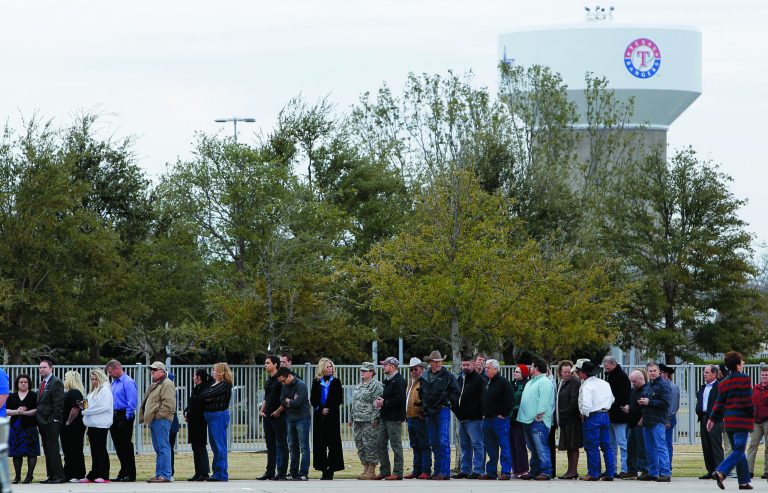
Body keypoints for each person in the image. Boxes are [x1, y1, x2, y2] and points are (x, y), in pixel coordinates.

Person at [708, 351, 754, 490]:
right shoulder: (745, 379)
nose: (743, 363)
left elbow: (719, 403)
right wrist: (754, 415)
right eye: (742, 361)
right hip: (742, 421)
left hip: (729, 421)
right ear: (738, 365)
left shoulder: (723, 382)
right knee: (739, 450)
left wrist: (712, 419)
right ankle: (721, 471)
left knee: (737, 450)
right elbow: (747, 401)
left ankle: (744, 481)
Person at [419, 350, 460, 480]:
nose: (438, 364)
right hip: (429, 412)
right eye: (436, 362)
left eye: (440, 361)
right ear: (430, 362)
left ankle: (445, 472)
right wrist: (424, 406)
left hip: (442, 410)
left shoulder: (448, 376)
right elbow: (422, 393)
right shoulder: (425, 376)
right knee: (434, 442)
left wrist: (447, 402)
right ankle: (437, 471)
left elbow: (456, 392)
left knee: (443, 441)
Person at [575, 359, 616, 481]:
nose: (577, 374)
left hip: (592, 416)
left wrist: (584, 414)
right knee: (606, 446)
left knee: (592, 446)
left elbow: (586, 404)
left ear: (583, 373)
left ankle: (593, 473)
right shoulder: (604, 383)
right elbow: (612, 399)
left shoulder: (586, 385)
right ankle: (610, 472)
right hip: (605, 415)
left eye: (578, 372)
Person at [517, 357, 555, 480]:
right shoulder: (530, 382)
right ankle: (534, 470)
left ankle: (546, 471)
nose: (530, 368)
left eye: (532, 366)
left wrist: (540, 413)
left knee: (541, 447)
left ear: (537, 368)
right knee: (533, 448)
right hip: (527, 419)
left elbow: (544, 399)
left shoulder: (544, 381)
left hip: (538, 420)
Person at [139, 361, 176, 483]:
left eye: (154, 370)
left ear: (162, 371)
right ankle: (159, 474)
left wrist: (159, 415)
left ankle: (165, 475)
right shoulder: (157, 384)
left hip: (161, 420)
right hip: (155, 420)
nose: (152, 372)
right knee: (159, 448)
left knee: (163, 447)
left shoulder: (167, 384)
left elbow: (168, 403)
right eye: (151, 370)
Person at [372, 357, 406, 480]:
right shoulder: (388, 380)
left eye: (385, 365)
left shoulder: (399, 380)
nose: (383, 367)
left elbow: (400, 400)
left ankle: (398, 472)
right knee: (380, 443)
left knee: (396, 445)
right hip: (385, 417)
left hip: (394, 418)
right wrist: (380, 402)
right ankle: (385, 471)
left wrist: (384, 402)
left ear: (392, 366)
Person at [310, 358, 344, 480]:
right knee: (320, 443)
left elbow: (339, 398)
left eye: (331, 367)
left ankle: (332, 469)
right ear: (322, 368)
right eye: (328, 366)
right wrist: (320, 409)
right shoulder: (316, 382)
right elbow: (313, 399)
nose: (330, 368)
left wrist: (329, 408)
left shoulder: (336, 382)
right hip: (319, 417)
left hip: (332, 416)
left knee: (333, 443)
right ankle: (323, 469)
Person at [452, 354, 485, 479]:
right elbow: (455, 395)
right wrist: (456, 410)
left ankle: (478, 469)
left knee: (477, 444)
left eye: (468, 365)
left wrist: (472, 412)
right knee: (464, 445)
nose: (465, 367)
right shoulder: (460, 378)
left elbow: (480, 401)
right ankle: (465, 469)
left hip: (474, 419)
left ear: (473, 364)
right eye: (463, 364)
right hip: (461, 419)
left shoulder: (479, 380)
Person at [637, 361, 671, 482]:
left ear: (659, 371)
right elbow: (646, 399)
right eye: (650, 371)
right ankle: (653, 472)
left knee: (661, 446)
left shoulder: (663, 385)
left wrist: (649, 402)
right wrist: (642, 402)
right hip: (647, 420)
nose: (652, 373)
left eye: (654, 371)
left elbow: (665, 403)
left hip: (658, 420)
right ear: (647, 372)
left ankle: (666, 473)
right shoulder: (648, 385)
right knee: (650, 448)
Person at [276, 366, 311, 481]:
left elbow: (297, 403)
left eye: (283, 380)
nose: (282, 383)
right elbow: (281, 400)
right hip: (290, 418)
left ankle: (303, 473)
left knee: (303, 446)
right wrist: (289, 401)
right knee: (293, 446)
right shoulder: (284, 386)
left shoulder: (301, 385)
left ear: (289, 376)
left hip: (302, 418)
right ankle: (293, 472)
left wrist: (288, 400)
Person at [349, 362, 383, 480]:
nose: (362, 373)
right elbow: (355, 403)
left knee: (370, 444)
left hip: (369, 420)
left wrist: (375, 418)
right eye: (361, 371)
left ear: (372, 372)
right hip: (358, 420)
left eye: (365, 371)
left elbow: (377, 404)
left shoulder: (376, 386)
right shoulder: (359, 386)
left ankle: (372, 469)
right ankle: (365, 467)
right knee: (359, 443)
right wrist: (351, 417)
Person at [480, 359, 513, 480]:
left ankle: (505, 472)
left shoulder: (503, 382)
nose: (486, 370)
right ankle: (491, 471)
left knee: (504, 446)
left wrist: (503, 413)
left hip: (499, 420)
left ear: (495, 369)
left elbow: (509, 400)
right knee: (490, 447)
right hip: (487, 419)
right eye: (485, 368)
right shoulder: (487, 382)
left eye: (488, 368)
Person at [105, 360, 137, 482]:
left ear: (117, 368)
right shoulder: (114, 383)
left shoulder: (128, 382)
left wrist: (127, 417)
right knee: (119, 447)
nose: (110, 374)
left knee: (126, 446)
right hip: (114, 416)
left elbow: (132, 400)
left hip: (124, 415)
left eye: (110, 371)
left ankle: (130, 473)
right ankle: (123, 471)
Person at [79, 369, 114, 483]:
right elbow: (88, 404)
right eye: (92, 379)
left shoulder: (105, 390)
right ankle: (94, 474)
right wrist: (83, 406)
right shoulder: (93, 391)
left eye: (96, 379)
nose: (94, 381)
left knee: (100, 450)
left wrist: (86, 411)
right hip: (92, 424)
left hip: (101, 425)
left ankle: (104, 474)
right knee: (94, 450)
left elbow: (102, 406)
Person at [201, 362, 233, 482]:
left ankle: (221, 473)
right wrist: (208, 397)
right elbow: (204, 395)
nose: (212, 372)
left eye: (214, 370)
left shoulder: (225, 384)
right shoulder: (214, 384)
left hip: (218, 415)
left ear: (221, 372)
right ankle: (216, 472)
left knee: (220, 445)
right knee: (214, 445)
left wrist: (209, 397)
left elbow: (207, 394)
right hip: (210, 415)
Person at [37, 357, 66, 484]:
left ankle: (59, 476)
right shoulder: (43, 383)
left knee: (53, 449)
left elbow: (58, 404)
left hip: (51, 422)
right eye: (40, 367)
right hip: (42, 422)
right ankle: (51, 476)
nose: (41, 369)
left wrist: (54, 420)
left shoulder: (56, 382)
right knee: (47, 450)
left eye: (44, 367)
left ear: (50, 368)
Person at [259, 356, 288, 481]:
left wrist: (278, 411)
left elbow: (286, 397)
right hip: (267, 416)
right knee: (270, 445)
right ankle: (270, 471)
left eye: (267, 363)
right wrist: (262, 410)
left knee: (281, 443)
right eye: (265, 363)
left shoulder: (280, 380)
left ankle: (281, 472)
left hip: (278, 416)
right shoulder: (268, 380)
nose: (265, 365)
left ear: (275, 364)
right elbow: (266, 397)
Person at [7, 374, 39, 484]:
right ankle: (17, 476)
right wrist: (17, 411)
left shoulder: (33, 395)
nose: (23, 384)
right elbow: (6, 410)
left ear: (29, 383)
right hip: (16, 428)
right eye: (21, 382)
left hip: (30, 427)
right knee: (16, 453)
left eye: (26, 382)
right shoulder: (12, 396)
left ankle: (29, 476)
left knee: (32, 452)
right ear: (17, 384)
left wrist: (24, 413)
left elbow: (36, 410)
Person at [603, 356, 631, 478]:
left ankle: (625, 468)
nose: (606, 369)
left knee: (621, 442)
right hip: (613, 414)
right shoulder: (612, 375)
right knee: (612, 443)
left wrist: (610, 409)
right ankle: (613, 468)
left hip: (619, 415)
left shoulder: (621, 377)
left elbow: (621, 397)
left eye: (607, 367)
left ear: (613, 364)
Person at [554, 360, 582, 480]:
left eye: (568, 371)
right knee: (568, 446)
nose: (567, 374)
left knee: (573, 446)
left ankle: (573, 471)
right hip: (565, 419)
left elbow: (574, 401)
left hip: (572, 419)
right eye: (564, 372)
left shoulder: (574, 382)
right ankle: (570, 470)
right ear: (560, 372)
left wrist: (565, 414)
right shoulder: (562, 382)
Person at [404, 357, 430, 479]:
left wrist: (423, 413)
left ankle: (425, 470)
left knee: (424, 444)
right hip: (410, 417)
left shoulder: (424, 381)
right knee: (415, 445)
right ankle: (417, 469)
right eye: (411, 369)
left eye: (416, 369)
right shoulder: (411, 383)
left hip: (419, 418)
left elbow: (426, 400)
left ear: (422, 369)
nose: (413, 371)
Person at [185, 368, 212, 481]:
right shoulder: (196, 389)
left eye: (194, 376)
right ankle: (198, 472)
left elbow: (200, 405)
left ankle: (204, 472)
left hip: (200, 421)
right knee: (195, 446)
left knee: (200, 446)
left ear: (199, 377)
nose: (193, 378)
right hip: (193, 421)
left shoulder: (205, 389)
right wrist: (187, 411)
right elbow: (192, 402)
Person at [698, 365, 725, 480]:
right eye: (704, 372)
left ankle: (719, 471)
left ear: (714, 374)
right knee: (706, 445)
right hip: (703, 418)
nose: (705, 374)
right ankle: (710, 471)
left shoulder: (719, 387)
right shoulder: (703, 387)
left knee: (715, 445)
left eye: (707, 372)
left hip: (714, 420)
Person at [60, 370, 86, 482]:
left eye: (65, 378)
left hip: (73, 426)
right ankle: (69, 472)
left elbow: (75, 409)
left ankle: (77, 473)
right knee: (69, 450)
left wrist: (68, 422)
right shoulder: (75, 392)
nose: (64, 380)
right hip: (71, 425)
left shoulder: (74, 392)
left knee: (74, 449)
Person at [623, 369, 649, 480]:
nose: (633, 383)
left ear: (641, 379)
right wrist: (628, 407)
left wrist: (643, 419)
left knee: (642, 448)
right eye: (631, 381)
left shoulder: (646, 390)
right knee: (631, 448)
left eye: (634, 381)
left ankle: (645, 470)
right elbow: (631, 402)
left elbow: (648, 407)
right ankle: (632, 470)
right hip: (632, 423)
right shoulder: (634, 390)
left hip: (640, 424)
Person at [747, 365, 768, 479]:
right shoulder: (756, 388)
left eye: (766, 375)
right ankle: (749, 471)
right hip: (756, 421)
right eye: (763, 375)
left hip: (767, 421)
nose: (764, 377)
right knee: (752, 445)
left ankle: (766, 471)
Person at [659, 363, 680, 474]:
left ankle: (667, 467)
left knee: (666, 444)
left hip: (667, 418)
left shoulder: (671, 387)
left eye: (660, 372)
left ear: (666, 374)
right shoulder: (663, 385)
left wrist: (667, 419)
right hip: (662, 418)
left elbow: (673, 405)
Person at [510, 364, 530, 478]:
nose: (515, 373)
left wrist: (514, 409)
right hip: (511, 419)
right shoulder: (512, 384)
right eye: (515, 371)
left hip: (520, 418)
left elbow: (522, 400)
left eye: (517, 372)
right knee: (512, 444)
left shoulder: (526, 385)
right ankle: (516, 469)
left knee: (520, 444)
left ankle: (523, 469)